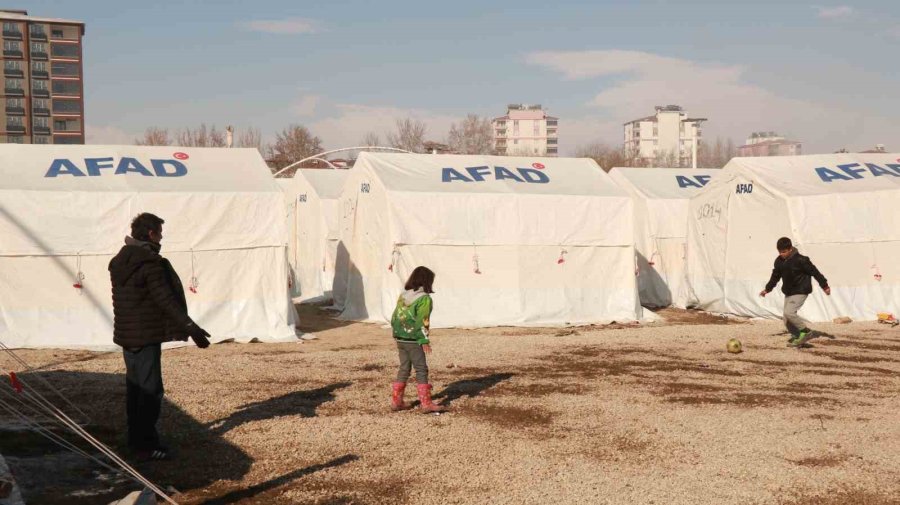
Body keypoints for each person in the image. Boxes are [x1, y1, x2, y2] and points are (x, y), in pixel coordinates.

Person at [109, 213, 211, 461]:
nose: (162, 236)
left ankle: (136, 439)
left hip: (127, 335)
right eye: (159, 232)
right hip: (144, 336)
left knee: (136, 390)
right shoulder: (149, 263)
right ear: (151, 234)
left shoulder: (120, 261)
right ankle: (145, 445)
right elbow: (165, 300)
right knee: (150, 391)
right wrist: (191, 328)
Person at [389, 266, 445, 413]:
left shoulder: (403, 295)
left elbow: (396, 316)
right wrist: (424, 340)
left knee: (404, 368)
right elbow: (422, 320)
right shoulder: (424, 299)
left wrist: (396, 334)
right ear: (427, 281)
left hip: (400, 338)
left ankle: (397, 401)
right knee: (421, 369)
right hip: (414, 339)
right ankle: (426, 404)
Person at [759, 237, 830, 348]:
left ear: (790, 249)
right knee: (786, 319)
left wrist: (824, 285)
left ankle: (805, 331)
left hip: (801, 290)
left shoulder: (801, 260)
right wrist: (767, 289)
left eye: (784, 252)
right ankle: (798, 336)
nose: (782, 254)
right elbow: (775, 277)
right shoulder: (779, 262)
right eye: (780, 252)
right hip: (789, 292)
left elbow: (815, 272)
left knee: (789, 312)